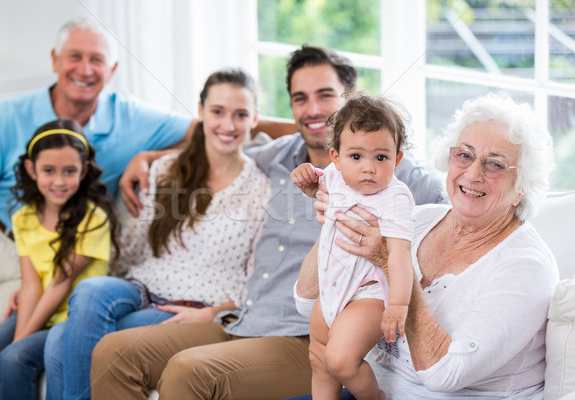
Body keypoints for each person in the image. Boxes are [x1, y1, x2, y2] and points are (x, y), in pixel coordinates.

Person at [87, 45, 446, 400]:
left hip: (306, 335)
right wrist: (150, 157)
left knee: (188, 372)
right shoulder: (279, 155)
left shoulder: (391, 172)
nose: (312, 110)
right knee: (113, 352)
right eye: (300, 98)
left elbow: (455, 199)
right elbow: (222, 144)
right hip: (243, 320)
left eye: (325, 96)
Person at [292, 92, 558, 399]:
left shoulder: (526, 267)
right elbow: (307, 302)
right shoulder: (417, 219)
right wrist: (336, 220)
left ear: (522, 187)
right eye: (464, 155)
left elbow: (446, 375)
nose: (473, 174)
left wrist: (387, 260)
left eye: (495, 164)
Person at [42, 68, 270, 399]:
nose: (228, 125)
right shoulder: (166, 169)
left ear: (255, 119)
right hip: (142, 285)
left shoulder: (261, 189)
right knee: (90, 290)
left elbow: (258, 278)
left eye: (241, 114)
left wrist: (214, 313)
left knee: (58, 340)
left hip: (194, 304)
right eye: (217, 112)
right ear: (201, 111)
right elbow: (134, 245)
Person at [0, 17, 196, 341]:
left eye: (97, 59)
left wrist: (149, 156)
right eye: (74, 56)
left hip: (40, 262)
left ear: (113, 68)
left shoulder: (130, 117)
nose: (85, 69)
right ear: (55, 59)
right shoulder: (9, 115)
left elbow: (211, 132)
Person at [0, 118, 119, 400]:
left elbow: (59, 285)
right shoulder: (23, 217)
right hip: (37, 305)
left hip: (72, 318)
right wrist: (20, 334)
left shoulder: (94, 219)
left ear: (84, 170)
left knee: (14, 359)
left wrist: (19, 343)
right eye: (48, 171)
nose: (58, 181)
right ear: (31, 169)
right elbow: (31, 285)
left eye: (69, 171)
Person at [290, 94, 414, 400]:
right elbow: (321, 187)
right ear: (336, 157)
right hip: (332, 287)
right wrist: (309, 180)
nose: (368, 168)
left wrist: (398, 304)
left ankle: (376, 398)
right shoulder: (335, 178)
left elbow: (398, 254)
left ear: (397, 159)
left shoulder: (395, 198)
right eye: (356, 157)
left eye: (381, 158)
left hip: (368, 293)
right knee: (319, 359)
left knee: (341, 360)